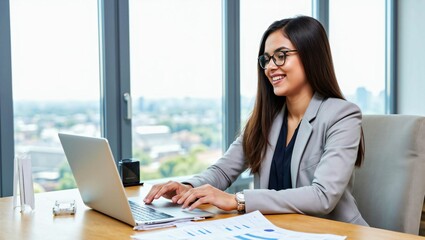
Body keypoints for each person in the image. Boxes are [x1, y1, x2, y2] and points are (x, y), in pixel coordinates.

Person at [144, 15, 368, 226]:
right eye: (267, 59)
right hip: (278, 231)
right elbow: (223, 171)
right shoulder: (268, 118)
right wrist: (189, 187)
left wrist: (238, 201)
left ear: (311, 56)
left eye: (281, 56)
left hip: (336, 232)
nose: (270, 67)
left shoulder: (342, 115)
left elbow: (323, 196)